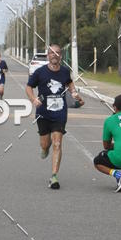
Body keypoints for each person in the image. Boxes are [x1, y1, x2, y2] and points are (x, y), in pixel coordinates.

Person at [25, 44, 84, 189]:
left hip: (60, 113)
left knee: (57, 143)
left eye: (57, 53)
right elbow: (29, 87)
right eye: (51, 53)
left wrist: (74, 93)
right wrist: (33, 99)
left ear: (60, 56)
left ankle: (54, 176)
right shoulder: (39, 72)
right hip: (43, 113)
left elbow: (70, 83)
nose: (54, 55)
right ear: (48, 55)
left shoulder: (64, 71)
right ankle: (45, 148)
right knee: (45, 144)